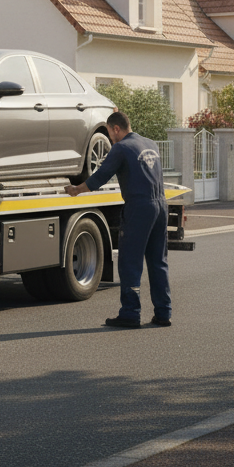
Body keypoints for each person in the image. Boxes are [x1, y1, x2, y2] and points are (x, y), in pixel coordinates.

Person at [63, 111, 171, 328]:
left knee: (130, 261)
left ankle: (130, 313)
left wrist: (77, 189)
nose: (111, 140)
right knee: (158, 262)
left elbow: (101, 176)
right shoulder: (150, 143)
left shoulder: (121, 148)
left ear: (116, 129)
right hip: (161, 205)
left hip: (139, 207)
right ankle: (163, 313)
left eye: (110, 135)